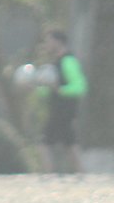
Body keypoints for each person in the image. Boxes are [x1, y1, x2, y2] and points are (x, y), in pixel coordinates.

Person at [35, 29, 87, 173]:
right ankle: (82, 174)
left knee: (44, 143)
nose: (46, 45)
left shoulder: (68, 61)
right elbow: (50, 89)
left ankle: (49, 174)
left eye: (49, 41)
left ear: (58, 42)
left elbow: (80, 86)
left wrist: (60, 90)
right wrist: (40, 87)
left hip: (64, 111)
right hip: (58, 110)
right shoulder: (55, 64)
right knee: (70, 145)